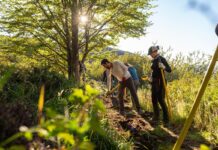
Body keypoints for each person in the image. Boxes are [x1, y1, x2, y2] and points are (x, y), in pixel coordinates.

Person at [148, 46, 172, 124]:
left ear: (154, 52)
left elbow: (169, 69)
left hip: (160, 82)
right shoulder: (154, 60)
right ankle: (156, 117)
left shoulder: (161, 59)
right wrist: (151, 77)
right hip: (154, 82)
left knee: (160, 100)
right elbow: (154, 71)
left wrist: (164, 67)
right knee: (153, 99)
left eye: (151, 54)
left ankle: (166, 119)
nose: (150, 55)